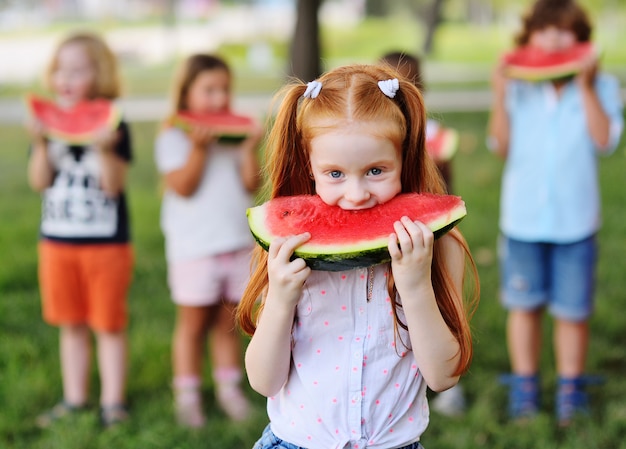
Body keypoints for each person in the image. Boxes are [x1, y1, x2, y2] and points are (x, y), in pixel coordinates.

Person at [237, 64, 478, 449]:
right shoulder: (289, 250)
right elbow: (264, 381)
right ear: (309, 166)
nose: (356, 193)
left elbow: (443, 376)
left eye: (376, 171)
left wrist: (415, 288)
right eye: (334, 174)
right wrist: (281, 299)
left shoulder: (438, 246)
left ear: (406, 159)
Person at [487, 0, 623, 426]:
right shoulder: (519, 87)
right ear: (527, 39)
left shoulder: (602, 86)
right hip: (522, 220)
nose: (553, 40)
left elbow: (605, 141)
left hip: (576, 222)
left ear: (583, 41)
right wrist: (499, 93)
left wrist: (585, 86)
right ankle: (525, 388)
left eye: (565, 31)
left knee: (572, 311)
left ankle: (570, 389)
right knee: (523, 306)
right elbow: (500, 145)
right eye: (544, 31)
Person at [26, 32, 134, 428]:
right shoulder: (47, 122)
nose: (66, 77)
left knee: (108, 324)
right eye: (60, 69)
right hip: (56, 242)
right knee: (70, 324)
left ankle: (113, 402)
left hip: (106, 245)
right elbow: (40, 182)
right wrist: (39, 145)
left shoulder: (114, 122)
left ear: (100, 74)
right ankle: (74, 399)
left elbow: (114, 185)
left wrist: (105, 149)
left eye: (78, 70)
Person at [154, 54, 263, 427]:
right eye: (209, 90)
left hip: (235, 243)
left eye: (224, 90)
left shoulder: (232, 139)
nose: (219, 100)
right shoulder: (172, 136)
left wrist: (249, 149)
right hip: (194, 249)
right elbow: (183, 187)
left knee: (227, 323)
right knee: (192, 324)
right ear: (186, 93)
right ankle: (187, 395)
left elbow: (252, 184)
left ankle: (228, 389)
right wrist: (199, 148)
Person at [380, 51, 465, 417]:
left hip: (428, 237)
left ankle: (450, 387)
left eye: (407, 85)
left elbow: (448, 193)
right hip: (388, 239)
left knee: (443, 307)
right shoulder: (372, 132)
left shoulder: (433, 134)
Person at [379, 51, 453, 193]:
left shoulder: (434, 133)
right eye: (387, 89)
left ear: (421, 89)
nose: (396, 97)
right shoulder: (367, 132)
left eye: (406, 88)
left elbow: (447, 185)